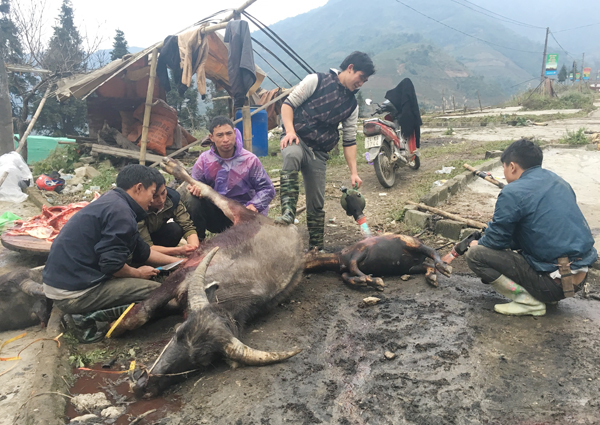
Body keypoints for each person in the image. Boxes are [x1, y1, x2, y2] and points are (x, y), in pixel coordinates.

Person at [42, 164, 183, 341]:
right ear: (138, 188)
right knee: (158, 293)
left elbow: (143, 251)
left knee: (155, 290)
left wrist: (181, 263)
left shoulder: (114, 201)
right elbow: (112, 265)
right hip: (73, 293)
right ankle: (85, 318)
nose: (153, 199)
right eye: (152, 192)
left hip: (65, 282)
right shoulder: (121, 213)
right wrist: (138, 273)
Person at [464, 139, 597, 316]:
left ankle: (528, 302)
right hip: (578, 278)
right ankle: (546, 295)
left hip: (553, 284)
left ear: (512, 166)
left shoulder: (512, 192)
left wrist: (479, 243)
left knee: (475, 255)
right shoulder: (558, 181)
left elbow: (496, 240)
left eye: (504, 168)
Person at [276, 51, 375, 251]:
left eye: (365, 80)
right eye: (361, 77)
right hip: (298, 139)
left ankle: (316, 247)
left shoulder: (352, 105)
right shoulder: (316, 81)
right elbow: (288, 105)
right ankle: (288, 212)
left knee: (317, 200)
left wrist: (354, 172)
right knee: (292, 155)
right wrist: (289, 131)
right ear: (350, 68)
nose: (361, 83)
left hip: (319, 152)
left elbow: (349, 140)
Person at [183, 115, 275, 239]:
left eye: (229, 133)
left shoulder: (250, 160)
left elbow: (267, 189)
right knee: (192, 201)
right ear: (212, 138)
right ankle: (199, 242)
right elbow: (196, 183)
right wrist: (195, 190)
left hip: (246, 215)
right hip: (218, 214)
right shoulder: (204, 161)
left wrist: (255, 205)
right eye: (220, 135)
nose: (226, 139)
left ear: (235, 133)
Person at [138, 172, 200, 256]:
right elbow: (146, 247)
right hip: (138, 245)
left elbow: (188, 227)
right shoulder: (137, 209)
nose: (161, 200)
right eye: (155, 196)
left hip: (157, 237)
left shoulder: (172, 199)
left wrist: (194, 247)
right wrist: (179, 251)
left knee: (174, 230)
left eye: (163, 193)